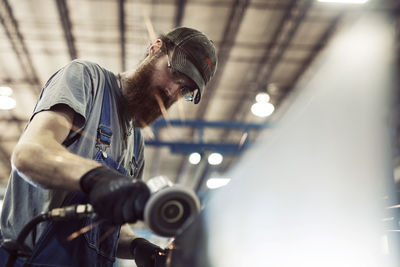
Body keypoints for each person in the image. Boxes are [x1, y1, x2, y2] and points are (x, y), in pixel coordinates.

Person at [0, 27, 217, 266]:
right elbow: (29, 153)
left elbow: (105, 229)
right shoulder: (86, 80)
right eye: (175, 73)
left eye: (185, 89)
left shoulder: (136, 147)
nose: (172, 91)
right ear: (155, 49)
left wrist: (136, 246)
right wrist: (97, 178)